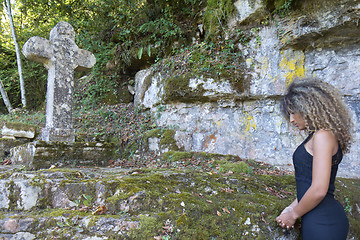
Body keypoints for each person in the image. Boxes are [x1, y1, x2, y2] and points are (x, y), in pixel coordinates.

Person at [276, 78, 353, 240]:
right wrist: (290, 208)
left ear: (306, 107)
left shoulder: (323, 136)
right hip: (317, 219)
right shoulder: (319, 135)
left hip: (324, 222)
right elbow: (307, 185)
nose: (291, 120)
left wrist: (294, 214)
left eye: (292, 112)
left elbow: (319, 190)